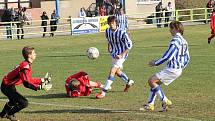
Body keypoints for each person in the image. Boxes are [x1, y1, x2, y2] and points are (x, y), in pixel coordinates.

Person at [140, 21, 190, 112]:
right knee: (156, 84)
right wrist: (181, 67)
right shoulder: (184, 41)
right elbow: (187, 58)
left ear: (176, 29)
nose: (170, 30)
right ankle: (150, 104)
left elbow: (168, 56)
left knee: (151, 81)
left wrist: (155, 63)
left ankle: (165, 100)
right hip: (178, 69)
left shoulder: (176, 40)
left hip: (172, 69)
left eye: (171, 28)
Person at [0, 46, 52, 121]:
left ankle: (3, 114)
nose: (35, 54)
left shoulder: (26, 65)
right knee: (24, 103)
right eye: (34, 53)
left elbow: (29, 80)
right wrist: (39, 87)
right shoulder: (25, 66)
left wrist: (43, 80)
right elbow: (26, 84)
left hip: (8, 85)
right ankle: (9, 114)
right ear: (29, 55)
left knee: (13, 101)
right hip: (6, 86)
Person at [96, 16, 134, 99]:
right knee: (117, 72)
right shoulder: (107, 31)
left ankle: (103, 92)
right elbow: (109, 40)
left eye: (113, 23)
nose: (111, 24)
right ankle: (129, 81)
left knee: (112, 71)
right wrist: (109, 47)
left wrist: (121, 55)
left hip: (122, 54)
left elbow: (130, 45)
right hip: (114, 53)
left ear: (116, 23)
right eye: (110, 23)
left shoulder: (122, 33)